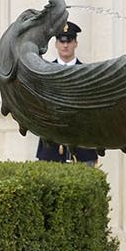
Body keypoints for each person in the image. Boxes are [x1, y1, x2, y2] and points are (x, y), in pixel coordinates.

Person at [35, 21, 102, 165]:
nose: (65, 45)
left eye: (69, 40)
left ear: (75, 43)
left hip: (82, 146)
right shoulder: (45, 71)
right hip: (51, 146)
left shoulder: (87, 73)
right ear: (56, 44)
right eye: (61, 41)